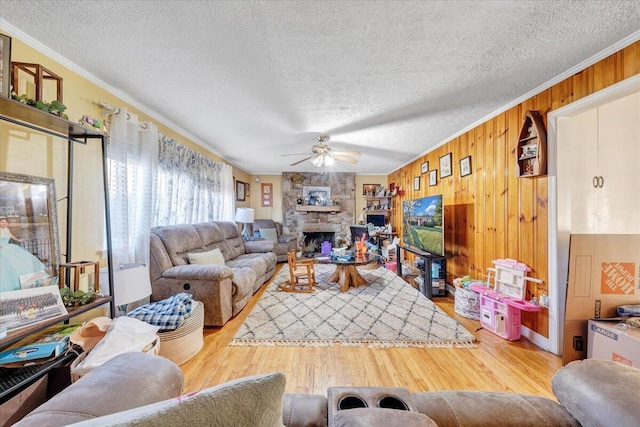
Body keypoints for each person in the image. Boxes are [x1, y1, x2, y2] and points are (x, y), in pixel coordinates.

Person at [0, 217, 49, 292]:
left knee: (19, 264)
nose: (4, 224)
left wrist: (18, 240)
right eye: (2, 222)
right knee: (5, 268)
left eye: (6, 222)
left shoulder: (7, 229)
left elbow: (11, 236)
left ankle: (27, 283)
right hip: (2, 249)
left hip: (9, 247)